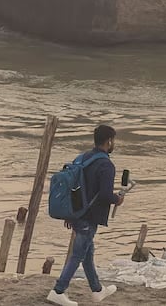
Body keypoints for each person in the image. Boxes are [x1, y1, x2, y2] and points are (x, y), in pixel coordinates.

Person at [48, 124, 122, 306]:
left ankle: (97, 290)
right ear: (109, 141)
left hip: (77, 213)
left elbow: (73, 188)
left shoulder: (82, 158)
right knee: (78, 255)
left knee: (87, 254)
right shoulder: (106, 165)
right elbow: (105, 195)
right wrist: (117, 199)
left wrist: (69, 214)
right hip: (89, 216)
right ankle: (58, 291)